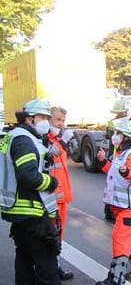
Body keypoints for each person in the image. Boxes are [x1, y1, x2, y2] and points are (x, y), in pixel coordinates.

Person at [0, 98, 61, 285]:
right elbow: (28, 176)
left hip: (20, 212)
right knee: (47, 267)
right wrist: (51, 181)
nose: (46, 121)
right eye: (42, 117)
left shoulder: (18, 136)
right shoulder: (24, 139)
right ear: (29, 119)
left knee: (25, 261)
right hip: (31, 213)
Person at [95, 118, 131, 285]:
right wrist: (103, 161)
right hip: (124, 206)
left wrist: (128, 172)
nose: (116, 135)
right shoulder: (121, 153)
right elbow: (114, 175)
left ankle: (115, 278)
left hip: (130, 207)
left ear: (126, 137)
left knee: (120, 239)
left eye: (119, 133)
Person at [46, 106, 75, 281]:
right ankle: (47, 269)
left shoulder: (57, 138)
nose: (61, 124)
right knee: (49, 235)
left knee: (58, 235)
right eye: (58, 120)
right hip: (50, 198)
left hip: (61, 197)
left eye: (63, 120)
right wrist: (62, 142)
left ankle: (55, 266)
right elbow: (48, 155)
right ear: (49, 120)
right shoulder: (45, 139)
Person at [103, 99, 131, 222]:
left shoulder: (111, 122)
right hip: (120, 157)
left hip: (115, 157)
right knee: (118, 186)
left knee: (112, 186)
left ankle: (109, 212)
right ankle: (114, 213)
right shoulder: (126, 123)